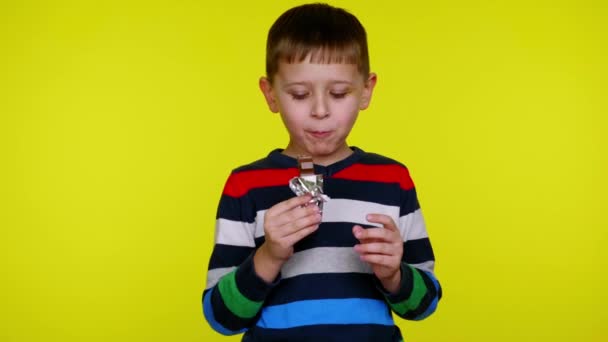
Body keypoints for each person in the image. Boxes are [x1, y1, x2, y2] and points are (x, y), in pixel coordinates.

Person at [202, 3, 441, 341]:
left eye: (339, 93)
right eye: (299, 94)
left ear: (366, 90)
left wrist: (394, 275)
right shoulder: (246, 186)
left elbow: (424, 305)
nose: (319, 110)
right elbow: (221, 318)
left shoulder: (392, 179)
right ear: (270, 94)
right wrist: (268, 256)